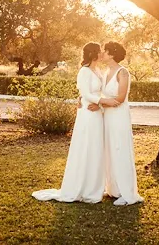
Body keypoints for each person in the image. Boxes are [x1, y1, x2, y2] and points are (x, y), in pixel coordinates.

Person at [31, 42, 106, 203]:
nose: (102, 54)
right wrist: (102, 102)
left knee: (96, 147)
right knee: (86, 146)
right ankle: (83, 186)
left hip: (97, 112)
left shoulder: (98, 70)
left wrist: (101, 104)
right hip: (88, 112)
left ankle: (94, 185)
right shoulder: (84, 71)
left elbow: (99, 91)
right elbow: (86, 93)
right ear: (92, 53)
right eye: (99, 51)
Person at [97, 41, 144, 206]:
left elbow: (120, 98)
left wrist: (99, 103)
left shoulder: (123, 72)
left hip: (119, 116)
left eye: (104, 51)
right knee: (110, 150)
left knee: (120, 149)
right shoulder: (106, 72)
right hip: (107, 116)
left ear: (111, 54)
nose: (102, 54)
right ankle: (114, 188)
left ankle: (127, 193)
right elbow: (103, 96)